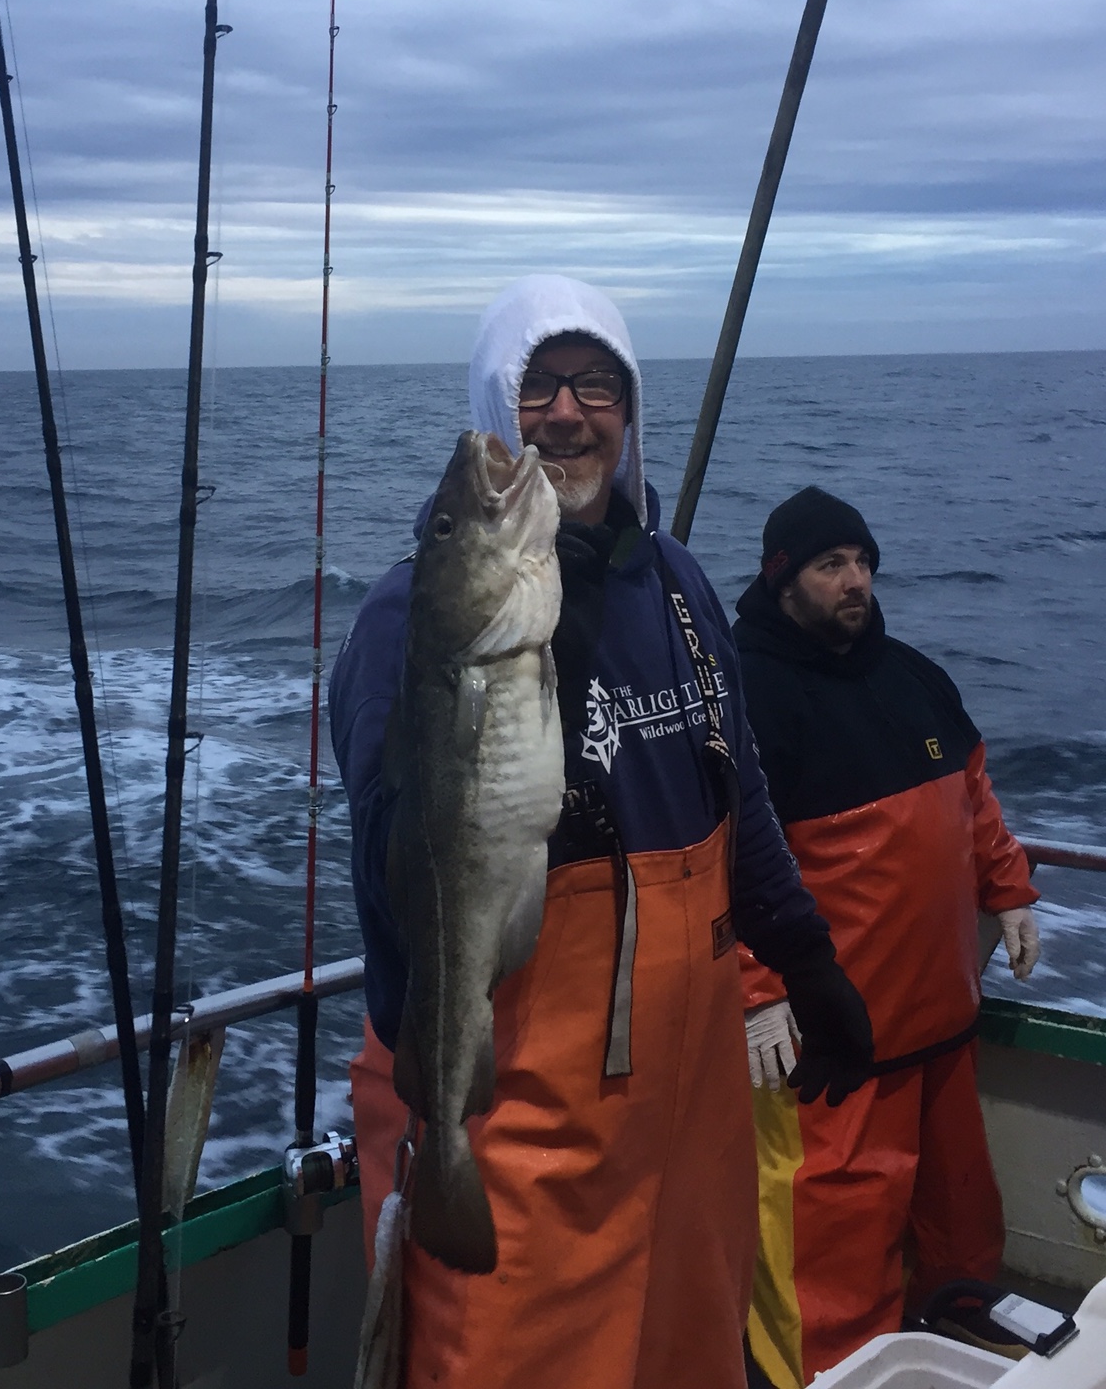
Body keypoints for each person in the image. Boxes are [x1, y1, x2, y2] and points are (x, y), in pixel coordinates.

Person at [329, 276, 874, 1389]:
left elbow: (740, 793)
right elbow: (398, 890)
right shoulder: (406, 621)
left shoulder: (677, 586)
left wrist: (809, 960)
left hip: (693, 1132)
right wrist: (520, 684)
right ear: (498, 401)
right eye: (539, 385)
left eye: (598, 385)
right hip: (523, 1141)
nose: (568, 414)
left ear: (631, 411)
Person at [732, 485, 1041, 1389]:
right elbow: (728, 864)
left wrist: (1010, 892)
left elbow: (973, 797)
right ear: (782, 577)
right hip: (834, 1046)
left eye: (863, 562)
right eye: (831, 565)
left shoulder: (913, 675)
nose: (855, 581)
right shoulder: (749, 696)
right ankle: (825, 1377)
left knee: (960, 1224)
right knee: (830, 1252)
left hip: (942, 1023)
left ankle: (962, 1352)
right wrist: (758, 994)